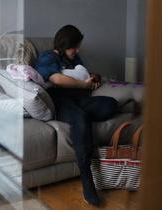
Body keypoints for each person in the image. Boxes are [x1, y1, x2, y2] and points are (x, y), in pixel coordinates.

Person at [34, 25, 118, 207]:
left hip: (80, 100)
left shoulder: (74, 58)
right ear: (64, 44)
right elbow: (56, 79)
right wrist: (84, 86)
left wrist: (93, 78)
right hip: (60, 101)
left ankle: (81, 117)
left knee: (110, 105)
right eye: (74, 46)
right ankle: (87, 180)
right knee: (80, 119)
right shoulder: (47, 57)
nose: (77, 50)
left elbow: (83, 74)